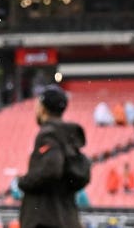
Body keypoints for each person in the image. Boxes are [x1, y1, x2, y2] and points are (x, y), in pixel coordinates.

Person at [17, 85, 85, 228]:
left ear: (42, 108)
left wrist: (24, 182)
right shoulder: (67, 135)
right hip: (66, 216)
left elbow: (52, 168)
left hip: (45, 219)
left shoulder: (49, 134)